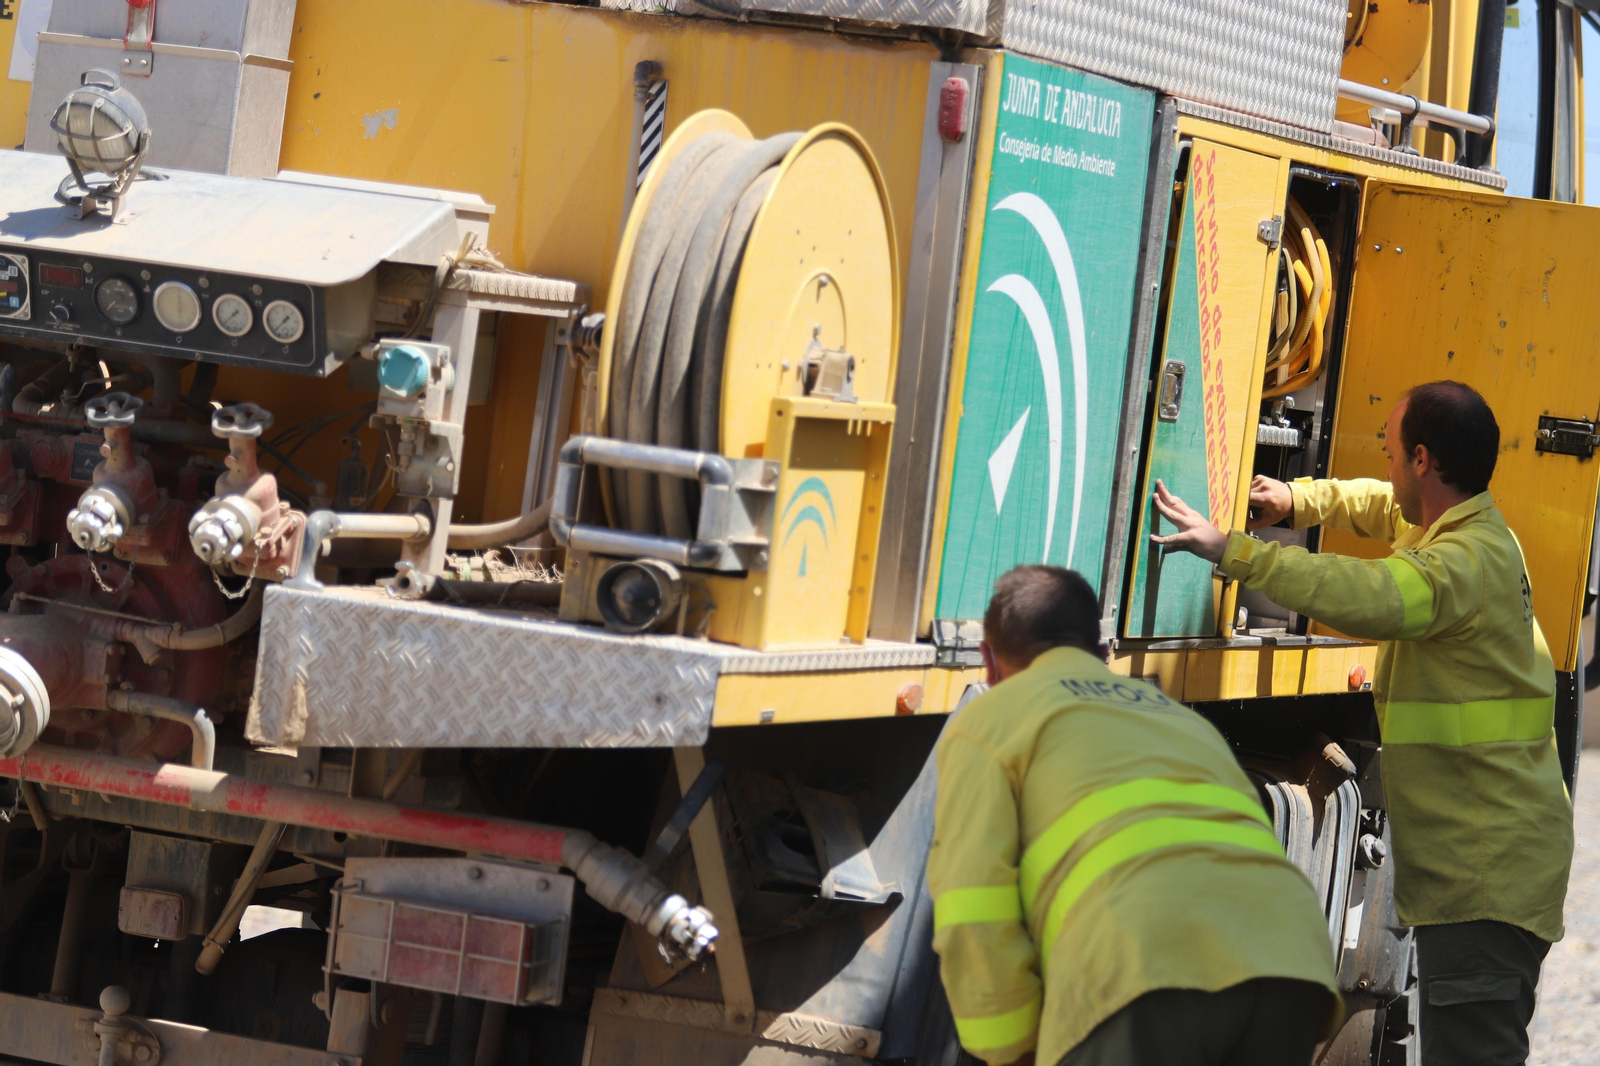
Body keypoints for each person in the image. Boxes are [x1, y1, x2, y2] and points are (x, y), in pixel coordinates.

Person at [1151, 380, 1573, 1066]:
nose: (1385, 465)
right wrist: (1299, 499)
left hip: (1485, 885)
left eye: (1390, 451)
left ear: (1423, 462)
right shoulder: (1470, 528)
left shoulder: (1453, 568)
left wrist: (1234, 549)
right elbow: (1383, 507)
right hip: (1492, 872)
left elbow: (1365, 594)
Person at [926, 564, 1340, 1066]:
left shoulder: (994, 718)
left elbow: (974, 905)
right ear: (1103, 657)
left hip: (1150, 969)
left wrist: (1012, 1049)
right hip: (1291, 964)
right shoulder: (1183, 721)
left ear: (988, 663)